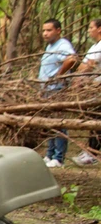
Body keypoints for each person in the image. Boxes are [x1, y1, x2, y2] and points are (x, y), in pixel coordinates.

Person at [39, 18, 77, 168]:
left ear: (58, 30)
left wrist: (59, 75)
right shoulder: (50, 46)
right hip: (47, 90)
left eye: (49, 30)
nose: (45, 33)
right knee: (50, 123)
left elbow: (72, 59)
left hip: (56, 89)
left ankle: (58, 158)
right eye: (44, 30)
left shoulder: (63, 45)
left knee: (59, 123)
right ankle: (50, 155)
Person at [72, 18, 101, 166]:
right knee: (92, 120)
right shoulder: (94, 46)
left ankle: (93, 153)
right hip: (92, 88)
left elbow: (89, 65)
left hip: (98, 88)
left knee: (95, 121)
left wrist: (78, 75)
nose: (89, 30)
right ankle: (90, 151)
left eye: (91, 28)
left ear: (99, 29)